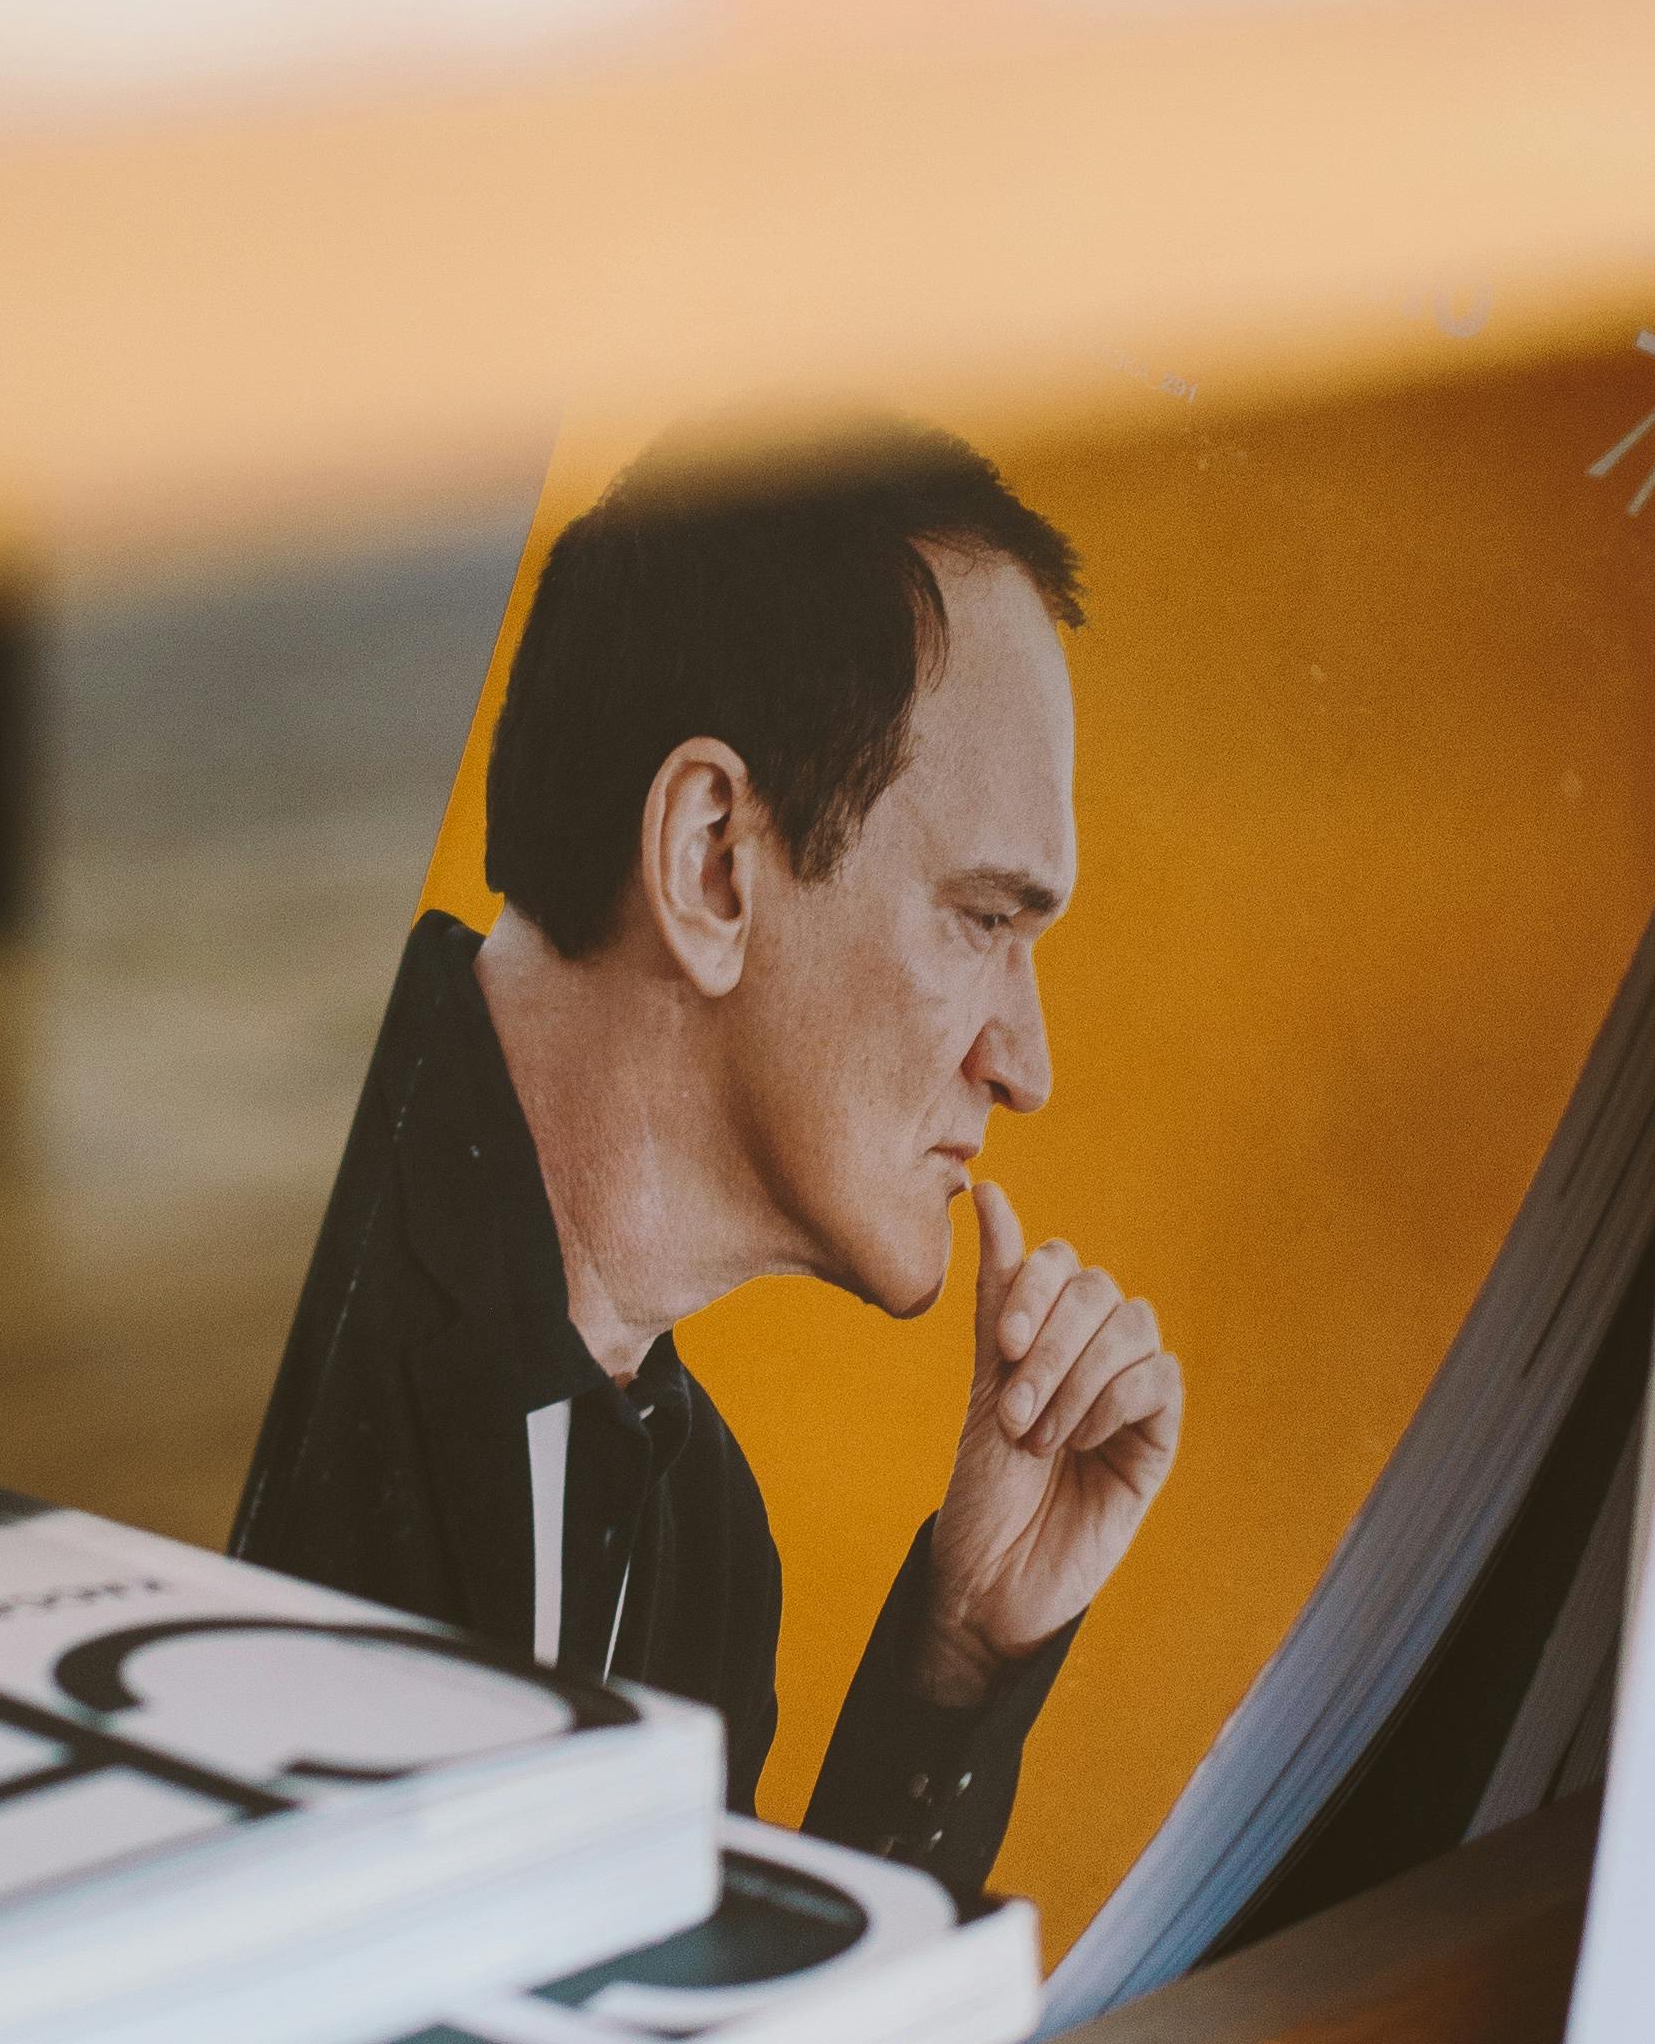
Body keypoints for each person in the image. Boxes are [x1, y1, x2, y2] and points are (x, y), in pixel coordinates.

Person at [231, 428, 1181, 1894]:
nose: (1026, 1066)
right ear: (712, 862)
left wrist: (951, 1665)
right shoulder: (236, 1297)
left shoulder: (706, 1542)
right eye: (985, 920)